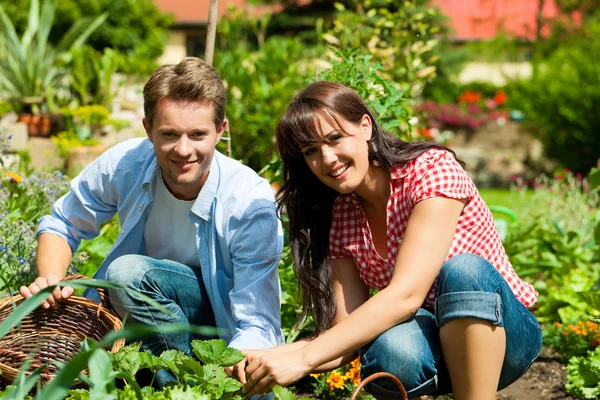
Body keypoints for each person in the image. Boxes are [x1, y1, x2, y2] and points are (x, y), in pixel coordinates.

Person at [240, 81, 541, 400]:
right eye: (311, 151)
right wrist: (269, 358)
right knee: (389, 347)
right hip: (436, 350)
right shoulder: (342, 214)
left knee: (464, 270)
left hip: (505, 338)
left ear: (365, 126)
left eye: (335, 138)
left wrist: (301, 360)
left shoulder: (430, 170)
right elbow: (346, 333)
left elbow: (406, 295)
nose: (327, 159)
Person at [19, 57, 284, 386]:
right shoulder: (126, 165)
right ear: (148, 129)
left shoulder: (248, 202)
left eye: (197, 134)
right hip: (143, 315)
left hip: (219, 329)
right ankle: (158, 379)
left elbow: (258, 320)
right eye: (169, 134)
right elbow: (63, 224)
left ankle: (183, 384)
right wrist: (51, 279)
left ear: (220, 131)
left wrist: (231, 378)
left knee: (126, 275)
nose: (183, 150)